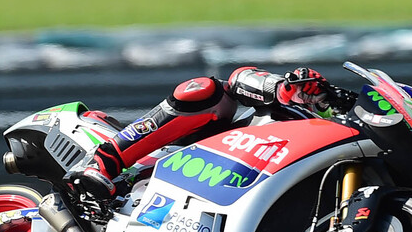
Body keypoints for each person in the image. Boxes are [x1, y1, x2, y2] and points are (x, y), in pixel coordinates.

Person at [69, 66, 357, 199]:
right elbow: (238, 78)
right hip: (202, 155)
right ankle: (104, 162)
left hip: (242, 193)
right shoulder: (289, 105)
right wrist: (284, 88)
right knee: (206, 90)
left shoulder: (343, 135)